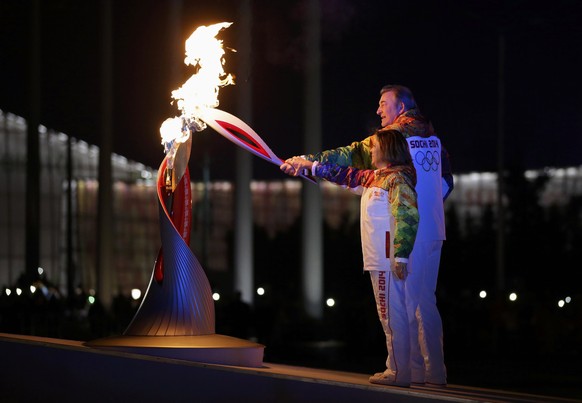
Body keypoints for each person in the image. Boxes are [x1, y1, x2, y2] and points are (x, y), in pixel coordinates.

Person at [282, 85, 453, 387]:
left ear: (401, 107)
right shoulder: (434, 141)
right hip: (432, 230)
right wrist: (428, 209)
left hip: (402, 232)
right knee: (424, 301)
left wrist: (308, 161)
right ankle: (432, 371)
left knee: (399, 304)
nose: (378, 110)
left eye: (383, 103)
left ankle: (403, 370)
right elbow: (447, 183)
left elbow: (349, 157)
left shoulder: (391, 139)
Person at [282, 130, 419, 387]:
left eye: (375, 146)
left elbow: (408, 216)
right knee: (389, 314)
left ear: (388, 149)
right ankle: (400, 368)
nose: (371, 151)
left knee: (392, 314)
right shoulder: (375, 177)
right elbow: (343, 175)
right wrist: (305, 166)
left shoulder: (397, 179)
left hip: (388, 259)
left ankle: (399, 372)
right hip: (379, 258)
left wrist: (400, 255)